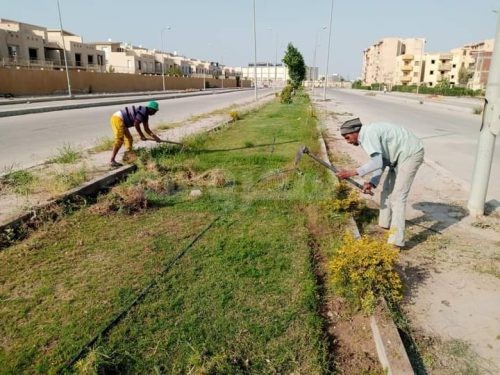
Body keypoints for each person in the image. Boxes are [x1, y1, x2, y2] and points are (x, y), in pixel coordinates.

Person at [336, 118, 424, 248]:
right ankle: (385, 224)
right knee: (387, 190)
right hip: (398, 156)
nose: (347, 141)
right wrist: (373, 182)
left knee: (398, 197)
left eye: (347, 137)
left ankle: (396, 242)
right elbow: (380, 161)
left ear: (355, 132)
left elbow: (377, 162)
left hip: (411, 153)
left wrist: (351, 172)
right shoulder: (367, 134)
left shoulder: (368, 135)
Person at [109, 101, 162, 167]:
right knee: (119, 139)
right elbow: (136, 124)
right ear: (151, 109)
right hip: (118, 118)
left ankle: (128, 156)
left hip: (123, 122)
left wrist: (155, 137)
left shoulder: (145, 115)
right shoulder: (143, 111)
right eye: (155, 111)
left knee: (129, 138)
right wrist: (141, 135)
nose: (155, 113)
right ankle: (112, 160)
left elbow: (146, 129)